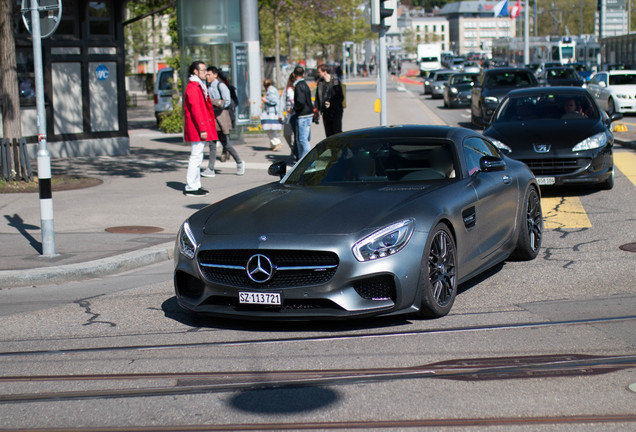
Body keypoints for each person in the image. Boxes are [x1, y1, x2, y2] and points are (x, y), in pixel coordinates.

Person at [202, 66, 245, 177]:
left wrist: (213, 102)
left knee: (226, 143)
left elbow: (227, 102)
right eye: (206, 74)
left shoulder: (220, 85)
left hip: (221, 117)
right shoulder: (208, 86)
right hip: (212, 117)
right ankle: (210, 168)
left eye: (209, 74)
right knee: (212, 144)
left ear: (215, 75)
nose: (207, 77)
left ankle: (239, 162)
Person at [183, 61, 217, 197]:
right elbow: (196, 109)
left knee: (198, 156)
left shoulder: (198, 86)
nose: (205, 72)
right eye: (203, 70)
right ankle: (191, 186)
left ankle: (195, 184)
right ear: (195, 72)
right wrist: (202, 128)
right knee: (196, 156)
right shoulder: (194, 87)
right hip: (197, 128)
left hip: (198, 127)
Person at [314, 64, 344, 138]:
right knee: (328, 134)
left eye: (319, 72)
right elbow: (318, 97)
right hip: (326, 112)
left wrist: (331, 104)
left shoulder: (335, 81)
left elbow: (340, 97)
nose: (318, 74)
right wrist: (316, 109)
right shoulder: (320, 83)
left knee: (337, 133)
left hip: (336, 111)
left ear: (324, 72)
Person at [292, 66, 314, 159]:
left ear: (294, 74)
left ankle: (306, 160)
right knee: (305, 139)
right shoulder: (305, 84)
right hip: (308, 114)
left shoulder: (298, 86)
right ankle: (302, 160)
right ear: (303, 74)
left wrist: (295, 108)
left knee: (302, 140)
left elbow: (300, 101)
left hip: (302, 115)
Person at [280, 72, 298, 160]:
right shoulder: (287, 89)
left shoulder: (299, 88)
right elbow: (282, 101)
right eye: (293, 79)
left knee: (297, 135)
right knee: (286, 134)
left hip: (297, 114)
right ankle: (292, 148)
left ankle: (296, 151)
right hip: (289, 115)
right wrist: (280, 114)